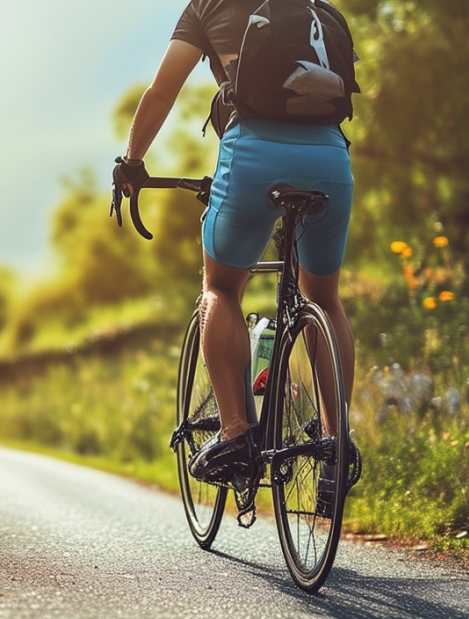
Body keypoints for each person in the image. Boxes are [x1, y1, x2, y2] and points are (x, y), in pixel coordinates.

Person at [113, 0, 357, 500]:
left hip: (253, 156)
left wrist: (132, 162)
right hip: (331, 157)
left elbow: (162, 92)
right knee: (326, 300)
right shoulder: (315, 6)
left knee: (221, 288)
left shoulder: (207, 6)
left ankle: (236, 436)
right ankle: (336, 446)